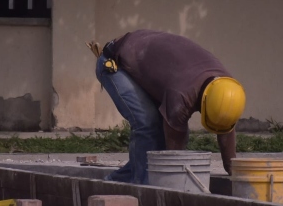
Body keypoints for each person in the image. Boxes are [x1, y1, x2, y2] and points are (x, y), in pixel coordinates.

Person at [87, 30, 244, 185]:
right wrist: (172, 182)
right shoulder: (182, 94)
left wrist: (233, 171)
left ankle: (113, 183)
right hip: (115, 62)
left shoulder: (226, 88)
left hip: (144, 59)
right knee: (148, 123)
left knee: (162, 136)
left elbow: (225, 127)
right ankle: (142, 188)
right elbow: (173, 153)